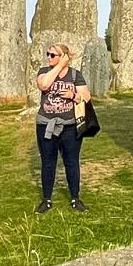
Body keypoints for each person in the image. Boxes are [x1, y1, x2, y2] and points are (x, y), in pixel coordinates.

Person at [35, 42, 91, 213]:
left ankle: (75, 198)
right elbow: (44, 85)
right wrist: (59, 66)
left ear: (64, 56)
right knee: (48, 163)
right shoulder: (44, 71)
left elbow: (86, 98)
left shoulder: (75, 75)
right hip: (46, 124)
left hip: (69, 126)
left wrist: (73, 95)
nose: (49, 57)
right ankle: (47, 200)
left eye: (53, 55)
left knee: (72, 162)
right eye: (48, 54)